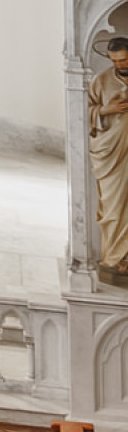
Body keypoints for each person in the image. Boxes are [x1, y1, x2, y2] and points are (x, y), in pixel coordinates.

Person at [90, 37, 128, 272]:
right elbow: (81, 112)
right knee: (114, 207)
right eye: (114, 60)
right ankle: (114, 256)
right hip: (112, 155)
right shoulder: (101, 81)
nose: (119, 64)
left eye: (123, 59)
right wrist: (106, 110)